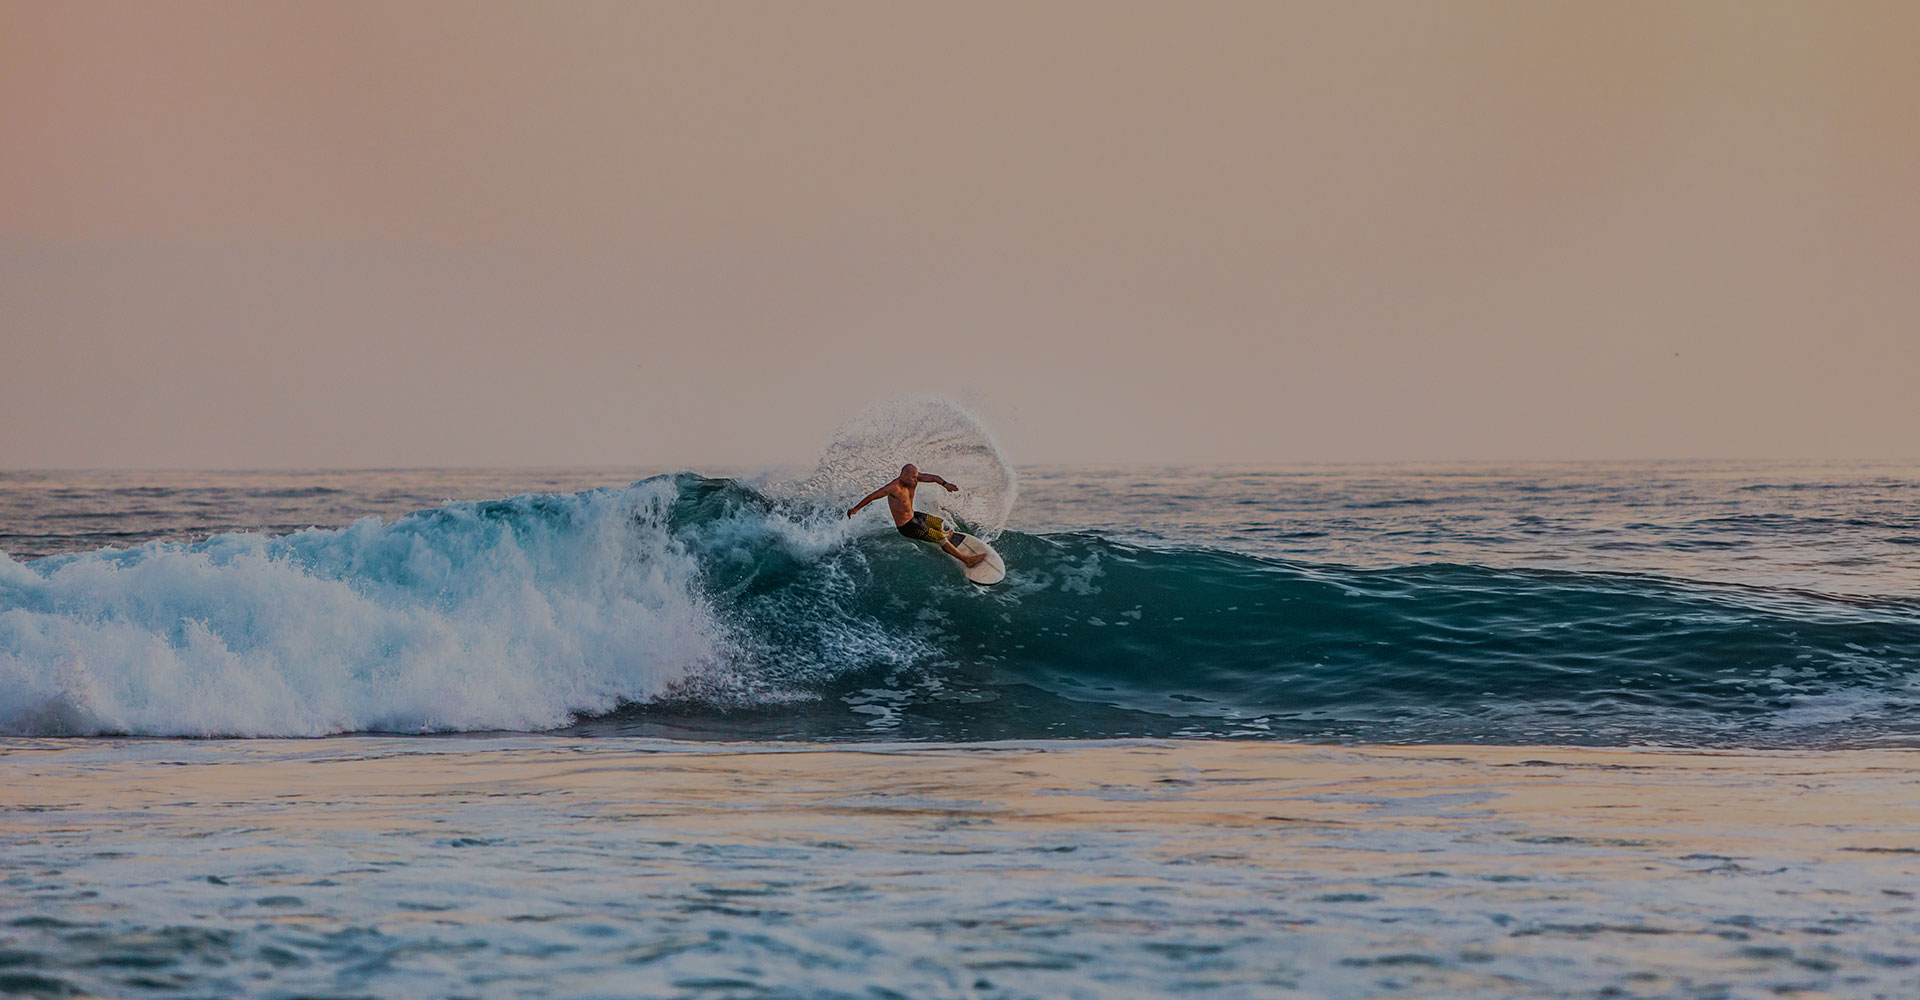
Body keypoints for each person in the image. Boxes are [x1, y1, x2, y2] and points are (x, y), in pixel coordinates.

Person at [847, 464, 988, 568]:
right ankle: (966, 559)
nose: (917, 479)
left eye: (916, 476)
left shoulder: (913, 479)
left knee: (938, 522)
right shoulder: (893, 488)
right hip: (907, 526)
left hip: (914, 515)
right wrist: (855, 509)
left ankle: (944, 539)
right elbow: (872, 496)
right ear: (905, 475)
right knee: (939, 537)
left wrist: (946, 484)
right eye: (914, 476)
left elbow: (933, 478)